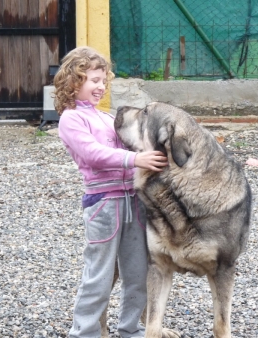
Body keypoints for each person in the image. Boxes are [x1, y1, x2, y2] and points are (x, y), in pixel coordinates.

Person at [53, 46, 168, 338]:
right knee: (99, 276)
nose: (101, 86)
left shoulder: (106, 117)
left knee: (138, 272)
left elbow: (130, 146)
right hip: (104, 204)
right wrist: (135, 160)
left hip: (133, 201)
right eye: (93, 80)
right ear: (73, 81)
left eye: (104, 80)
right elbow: (93, 154)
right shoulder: (71, 119)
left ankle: (132, 329)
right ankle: (85, 333)